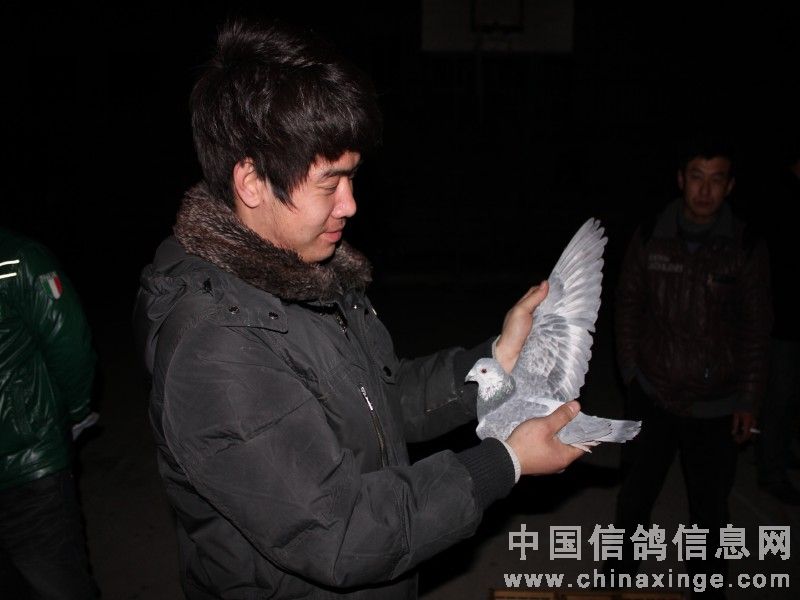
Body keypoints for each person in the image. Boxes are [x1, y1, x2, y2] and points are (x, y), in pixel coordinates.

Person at [133, 19, 584, 600]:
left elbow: (380, 401)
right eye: (330, 182)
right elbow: (341, 533)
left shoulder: (306, 274)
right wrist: (505, 462)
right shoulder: (214, 346)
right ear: (251, 181)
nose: (350, 204)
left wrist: (496, 361)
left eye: (353, 177)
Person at [608, 138, 772, 596]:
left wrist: (749, 399)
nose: (705, 190)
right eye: (696, 177)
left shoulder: (745, 245)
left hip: (717, 402)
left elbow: (757, 328)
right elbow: (627, 304)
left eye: (716, 180)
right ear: (681, 179)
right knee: (634, 498)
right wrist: (631, 372)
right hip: (652, 392)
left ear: (730, 186)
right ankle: (617, 578)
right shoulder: (650, 235)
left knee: (710, 511)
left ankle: (706, 585)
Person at [0, 227, 98, 599]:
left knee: (57, 582)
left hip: (29, 465)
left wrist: (72, 412)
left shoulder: (17, 259)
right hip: (32, 459)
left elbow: (68, 342)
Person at [754, 146, 800, 505]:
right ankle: (771, 468)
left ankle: (783, 451)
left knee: (791, 396)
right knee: (779, 396)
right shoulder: (780, 199)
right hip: (783, 320)